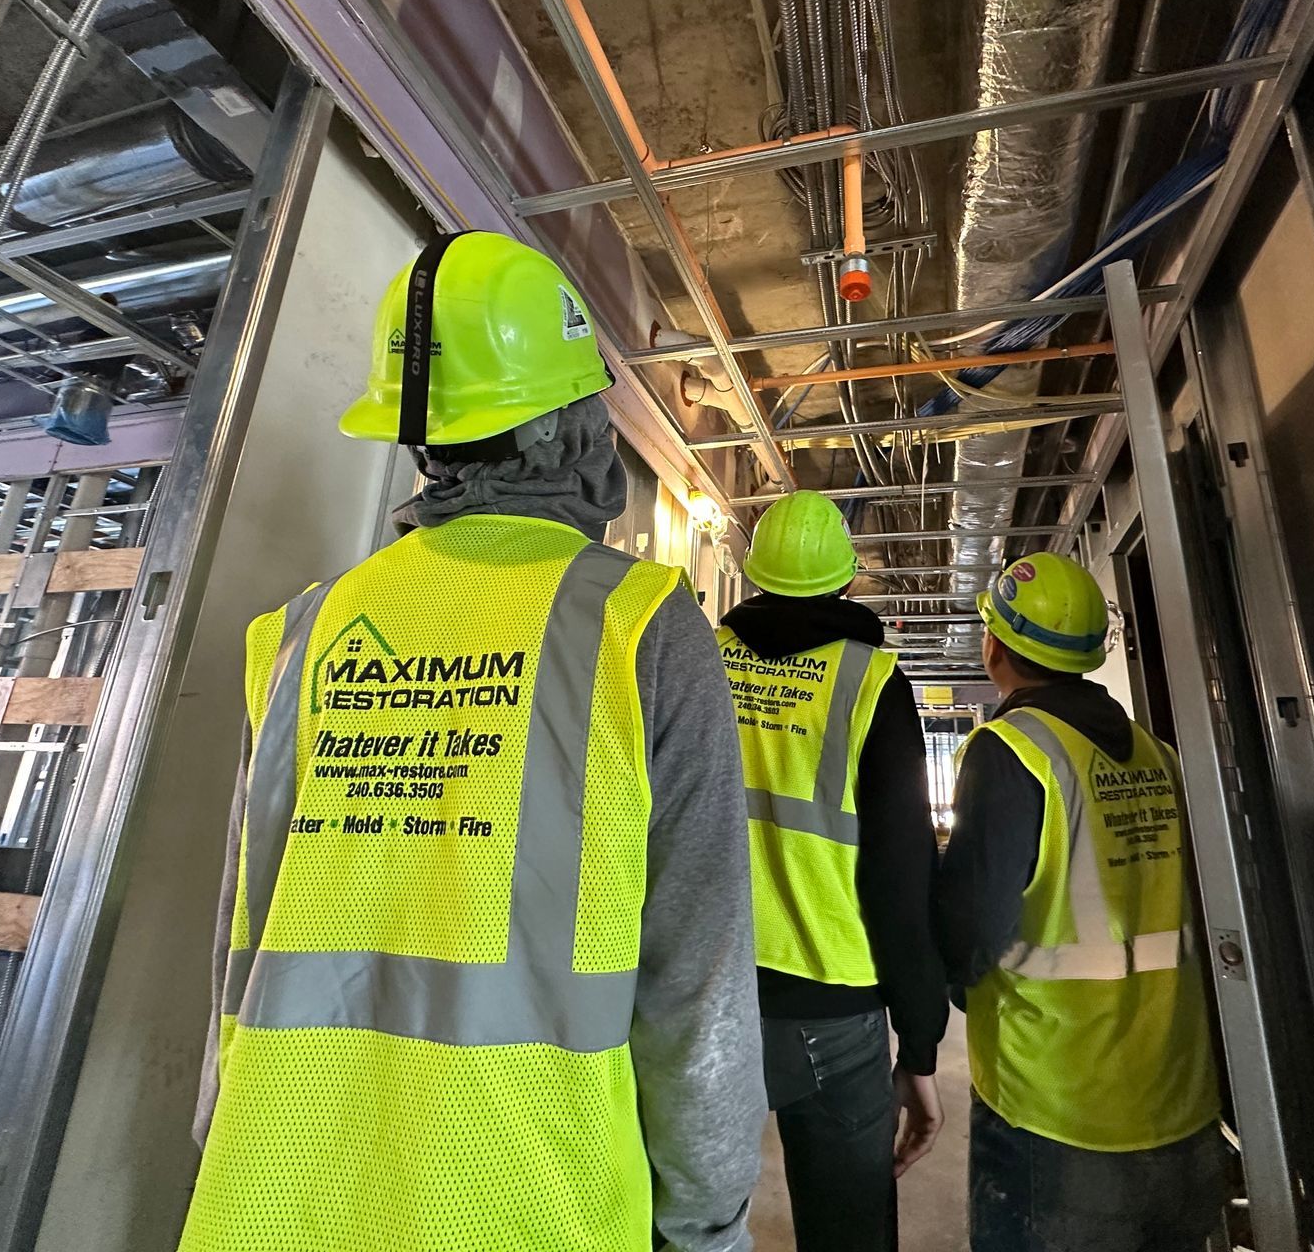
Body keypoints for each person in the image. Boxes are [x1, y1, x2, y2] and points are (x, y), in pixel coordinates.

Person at [181, 230, 765, 1252]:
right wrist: (708, 1220)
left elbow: (243, 926)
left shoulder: (305, 631)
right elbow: (697, 981)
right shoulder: (639, 625)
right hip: (527, 1202)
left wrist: (220, 1133)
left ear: (424, 443)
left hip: (267, 1190)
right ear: (566, 427)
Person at [936, 552, 1224, 1252]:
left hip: (1055, 1103)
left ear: (995, 646)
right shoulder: (1159, 755)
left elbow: (970, 933)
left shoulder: (1010, 750)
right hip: (1178, 1094)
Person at [717, 490, 947, 1252]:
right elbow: (900, 878)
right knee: (848, 1232)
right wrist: (919, 1042)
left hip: (702, 988)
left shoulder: (698, 660)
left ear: (753, 574)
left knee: (684, 1221)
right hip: (832, 1003)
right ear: (848, 580)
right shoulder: (872, 683)